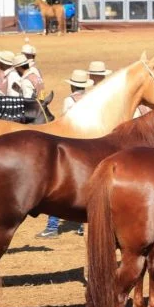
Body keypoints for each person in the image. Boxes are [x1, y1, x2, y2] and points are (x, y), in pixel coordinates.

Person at [39, 69, 94, 238]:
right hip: (88, 144)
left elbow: (65, 122)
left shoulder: (68, 101)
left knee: (57, 185)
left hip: (70, 145)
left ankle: (52, 226)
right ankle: (82, 225)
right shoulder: (91, 99)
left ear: (72, 85)